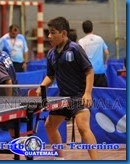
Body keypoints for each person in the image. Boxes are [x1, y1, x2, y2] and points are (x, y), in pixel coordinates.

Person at [36, 17, 98, 160]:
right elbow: (50, 76)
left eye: (52, 33)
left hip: (78, 96)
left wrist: (87, 93)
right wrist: (41, 87)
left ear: (63, 33)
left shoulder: (75, 49)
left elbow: (89, 71)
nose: (49, 36)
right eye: (48, 33)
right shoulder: (51, 54)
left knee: (83, 127)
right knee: (49, 126)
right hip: (63, 97)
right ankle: (59, 158)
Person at [78, 20, 109, 87]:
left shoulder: (81, 41)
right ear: (92, 28)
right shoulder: (99, 39)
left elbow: (80, 58)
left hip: (87, 73)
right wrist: (105, 64)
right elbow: (106, 53)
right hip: (100, 71)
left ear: (83, 30)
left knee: (88, 94)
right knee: (102, 95)